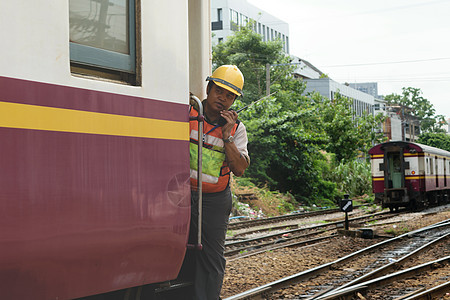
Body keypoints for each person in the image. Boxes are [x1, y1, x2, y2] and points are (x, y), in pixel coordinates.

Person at [189, 65, 250, 299]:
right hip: (181, 195)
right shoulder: (189, 112)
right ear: (208, 88)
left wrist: (227, 137)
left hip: (214, 200)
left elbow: (240, 169)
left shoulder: (237, 128)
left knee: (212, 258)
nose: (223, 99)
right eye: (219, 92)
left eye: (229, 95)